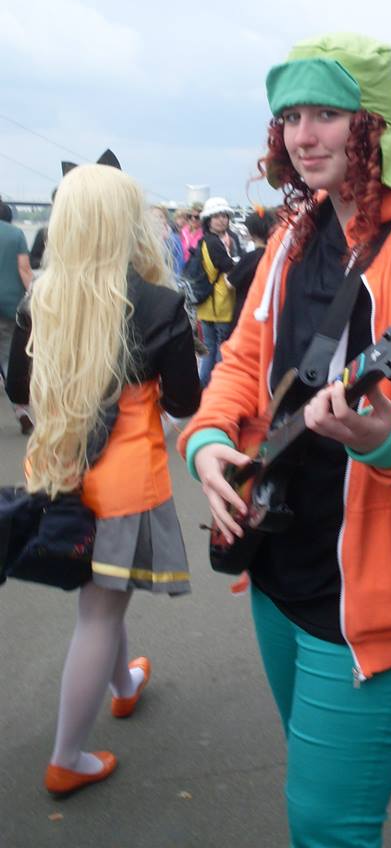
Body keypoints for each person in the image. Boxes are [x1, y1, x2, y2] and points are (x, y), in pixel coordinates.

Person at [178, 32, 391, 847]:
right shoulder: (295, 234)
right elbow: (243, 357)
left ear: (376, 124)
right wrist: (210, 437)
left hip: (374, 592)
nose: (302, 134)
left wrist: (389, 435)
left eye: (326, 113)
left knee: (325, 824)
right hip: (278, 565)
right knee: (313, 778)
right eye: (291, 115)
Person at [6, 163, 201, 796]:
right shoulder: (157, 303)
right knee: (99, 610)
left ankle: (123, 685)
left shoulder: (43, 299)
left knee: (101, 597)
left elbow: (17, 391)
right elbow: (184, 403)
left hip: (56, 471)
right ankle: (67, 755)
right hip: (124, 485)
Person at [195, 196, 242, 387]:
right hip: (220, 305)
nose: (221, 219)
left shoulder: (204, 241)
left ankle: (203, 389)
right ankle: (214, 389)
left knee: (209, 350)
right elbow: (229, 266)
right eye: (216, 216)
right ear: (208, 220)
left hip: (206, 305)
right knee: (220, 351)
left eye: (224, 215)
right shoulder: (216, 243)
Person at [0, 198, 33, 433]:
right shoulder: (16, 234)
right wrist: (34, 295)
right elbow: (24, 269)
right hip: (10, 302)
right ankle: (21, 410)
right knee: (10, 357)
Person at [226, 207, 276, 331]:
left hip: (246, 309)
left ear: (251, 232)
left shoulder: (251, 257)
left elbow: (230, 283)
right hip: (268, 311)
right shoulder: (275, 255)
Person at [149, 203, 184, 279]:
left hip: (169, 281)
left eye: (161, 216)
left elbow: (178, 263)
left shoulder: (174, 239)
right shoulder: (146, 239)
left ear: (166, 219)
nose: (157, 219)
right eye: (154, 216)